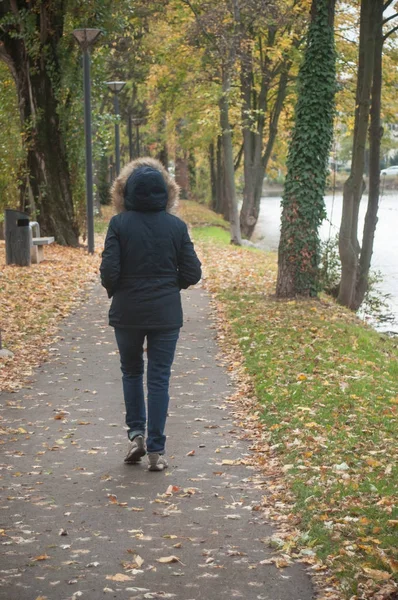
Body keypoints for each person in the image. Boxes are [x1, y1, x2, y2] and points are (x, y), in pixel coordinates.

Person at [100, 157, 202, 471]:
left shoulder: (119, 224)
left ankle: (136, 435)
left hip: (127, 313)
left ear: (125, 193)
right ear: (166, 193)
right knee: (159, 379)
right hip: (166, 314)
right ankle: (157, 451)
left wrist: (118, 291)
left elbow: (109, 271)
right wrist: (172, 286)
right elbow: (193, 272)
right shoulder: (176, 226)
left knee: (131, 372)